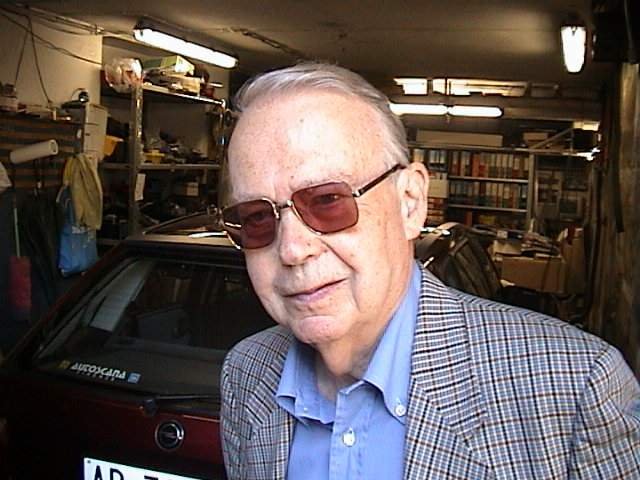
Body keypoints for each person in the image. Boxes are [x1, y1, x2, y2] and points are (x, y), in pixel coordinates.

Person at [219, 62, 640, 479]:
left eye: (327, 201)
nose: (293, 249)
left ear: (410, 202)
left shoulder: (574, 388)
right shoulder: (246, 374)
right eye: (257, 218)